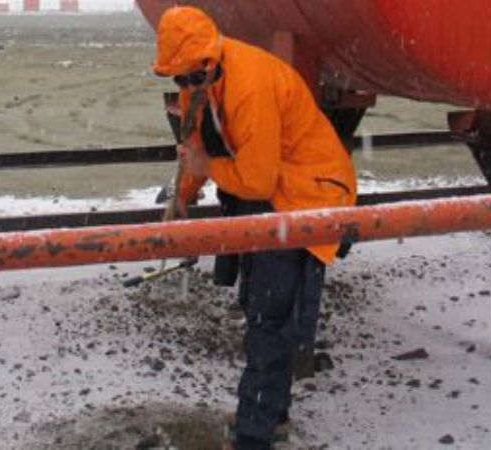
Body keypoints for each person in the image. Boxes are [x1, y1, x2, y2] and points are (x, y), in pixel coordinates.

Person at [152, 6, 357, 449]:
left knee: (270, 317)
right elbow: (195, 149)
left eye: (193, 77)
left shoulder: (250, 84)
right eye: (178, 79)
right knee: (263, 309)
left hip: (309, 195)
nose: (187, 86)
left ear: (211, 59)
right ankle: (269, 414)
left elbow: (257, 178)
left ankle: (255, 434)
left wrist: (210, 166)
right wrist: (182, 199)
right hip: (274, 194)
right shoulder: (200, 82)